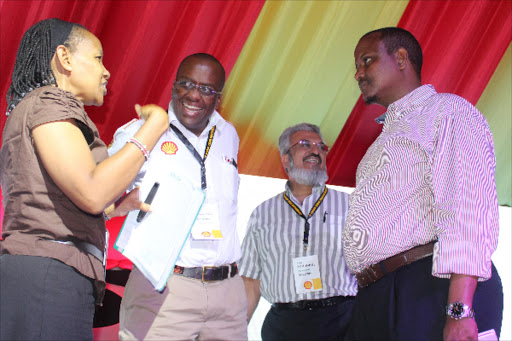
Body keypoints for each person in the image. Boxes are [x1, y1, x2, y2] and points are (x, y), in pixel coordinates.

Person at [0, 18, 169, 340]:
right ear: (64, 59)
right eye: (97, 58)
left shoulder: (40, 108)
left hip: (47, 271)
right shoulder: (48, 103)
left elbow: (52, 200)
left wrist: (114, 210)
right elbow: (91, 192)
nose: (106, 71)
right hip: (48, 273)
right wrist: (156, 125)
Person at [343, 27, 503, 340]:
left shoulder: (448, 111)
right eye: (357, 66)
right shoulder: (386, 139)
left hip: (432, 288)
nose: (358, 73)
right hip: (381, 293)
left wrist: (459, 309)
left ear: (401, 58)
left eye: (367, 61)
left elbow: (468, 209)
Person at [110, 53, 247, 340]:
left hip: (228, 293)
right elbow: (93, 197)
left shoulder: (228, 135)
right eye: (187, 83)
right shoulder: (139, 133)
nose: (194, 95)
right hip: (164, 290)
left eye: (207, 89)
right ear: (174, 86)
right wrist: (122, 204)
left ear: (218, 98)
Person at [240, 123, 358, 341]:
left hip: (342, 322)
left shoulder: (352, 205)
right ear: (285, 159)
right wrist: (234, 332)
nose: (315, 151)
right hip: (284, 325)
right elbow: (250, 281)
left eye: (321, 147)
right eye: (305, 144)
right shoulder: (263, 214)